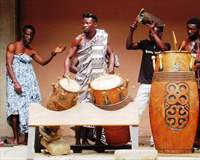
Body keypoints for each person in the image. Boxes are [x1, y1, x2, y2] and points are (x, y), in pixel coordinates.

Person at [6, 24, 65, 145]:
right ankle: (16, 138)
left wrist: (53, 53)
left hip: (29, 83)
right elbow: (8, 65)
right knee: (14, 109)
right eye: (27, 34)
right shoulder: (13, 46)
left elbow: (42, 62)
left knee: (29, 109)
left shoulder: (31, 51)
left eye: (31, 35)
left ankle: (28, 139)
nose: (29, 37)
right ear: (22, 33)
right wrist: (15, 82)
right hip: (15, 81)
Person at [64, 12, 115, 149]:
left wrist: (110, 67)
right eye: (83, 23)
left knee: (99, 109)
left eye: (88, 23)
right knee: (79, 109)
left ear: (95, 24)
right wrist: (66, 72)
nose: (85, 25)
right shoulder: (78, 39)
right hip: (82, 78)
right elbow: (68, 58)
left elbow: (111, 54)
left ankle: (98, 141)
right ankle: (79, 142)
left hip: (99, 79)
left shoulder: (103, 36)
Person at [126, 18, 170, 146]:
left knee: (157, 113)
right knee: (137, 111)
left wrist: (153, 32)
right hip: (145, 84)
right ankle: (132, 139)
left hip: (159, 86)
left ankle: (154, 139)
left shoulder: (166, 45)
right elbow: (128, 46)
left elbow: (163, 48)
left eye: (153, 32)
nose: (150, 34)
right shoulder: (145, 44)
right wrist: (131, 30)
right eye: (149, 33)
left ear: (160, 34)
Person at [179, 17, 200, 148]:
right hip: (187, 79)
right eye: (187, 28)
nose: (189, 31)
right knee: (188, 108)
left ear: (198, 29)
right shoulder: (185, 42)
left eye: (192, 29)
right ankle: (189, 138)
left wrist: (198, 62)